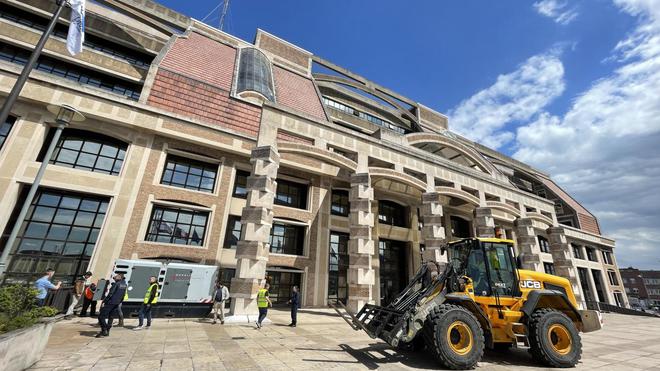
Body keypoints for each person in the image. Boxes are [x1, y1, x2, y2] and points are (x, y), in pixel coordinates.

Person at [96, 274, 128, 338]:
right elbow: (123, 295)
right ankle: (107, 331)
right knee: (111, 317)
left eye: (116, 276)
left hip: (110, 302)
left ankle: (104, 329)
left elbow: (110, 294)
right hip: (117, 303)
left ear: (119, 277)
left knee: (101, 316)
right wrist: (119, 302)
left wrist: (104, 302)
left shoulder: (116, 284)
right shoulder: (124, 285)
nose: (114, 277)